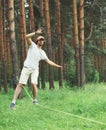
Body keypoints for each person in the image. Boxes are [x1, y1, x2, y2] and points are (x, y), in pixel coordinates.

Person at [10, 28, 62, 109]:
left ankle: (35, 100)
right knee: (20, 84)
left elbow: (48, 61)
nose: (41, 41)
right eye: (40, 40)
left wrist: (56, 65)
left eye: (42, 40)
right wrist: (36, 33)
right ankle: (13, 102)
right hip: (26, 68)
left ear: (43, 42)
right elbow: (26, 36)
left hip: (35, 70)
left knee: (34, 84)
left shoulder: (42, 53)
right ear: (37, 41)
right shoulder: (32, 46)